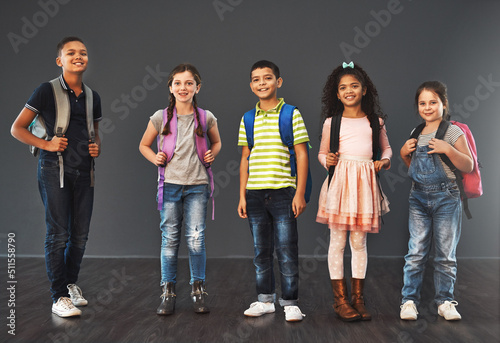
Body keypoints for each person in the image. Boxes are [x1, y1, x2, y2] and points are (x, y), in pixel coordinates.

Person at [10, 36, 102, 317]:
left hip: (85, 171)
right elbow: (17, 128)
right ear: (60, 60)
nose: (79, 56)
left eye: (83, 53)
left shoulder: (92, 96)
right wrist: (48, 144)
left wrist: (97, 147)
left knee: (80, 236)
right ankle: (58, 296)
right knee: (58, 234)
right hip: (54, 169)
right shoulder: (45, 91)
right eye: (71, 53)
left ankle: (70, 284)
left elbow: (93, 132)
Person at [139, 63, 221, 315]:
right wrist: (155, 158)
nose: (183, 87)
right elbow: (144, 144)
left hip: (197, 185)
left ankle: (198, 289)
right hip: (170, 186)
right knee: (170, 239)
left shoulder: (206, 117)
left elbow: (216, 142)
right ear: (171, 87)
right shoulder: (160, 117)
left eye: (188, 83)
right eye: (178, 83)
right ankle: (168, 290)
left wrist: (212, 153)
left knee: (196, 239)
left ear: (197, 87)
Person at [316, 62, 392, 321]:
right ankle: (340, 301)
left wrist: (385, 160)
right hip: (339, 186)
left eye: (354, 86)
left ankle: (358, 299)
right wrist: (327, 161)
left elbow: (387, 148)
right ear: (337, 94)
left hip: (364, 186)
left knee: (359, 242)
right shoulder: (331, 123)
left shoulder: (375, 122)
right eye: (343, 88)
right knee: (337, 243)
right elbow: (322, 153)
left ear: (364, 90)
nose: (349, 91)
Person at [237, 60, 309, 322]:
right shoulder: (248, 118)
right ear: (251, 85)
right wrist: (242, 195)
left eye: (267, 78)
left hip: (282, 193)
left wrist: (299, 193)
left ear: (278, 82)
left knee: (287, 249)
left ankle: (290, 302)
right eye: (256, 79)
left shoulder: (291, 114)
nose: (262, 83)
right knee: (261, 250)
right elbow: (245, 158)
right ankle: (265, 300)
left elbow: (301, 155)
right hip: (255, 194)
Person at [399, 81, 473, 321]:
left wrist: (448, 150)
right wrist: (403, 154)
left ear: (443, 104)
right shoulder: (416, 132)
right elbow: (415, 170)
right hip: (418, 197)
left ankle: (445, 301)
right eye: (423, 103)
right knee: (416, 251)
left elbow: (468, 165)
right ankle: (408, 301)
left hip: (447, 197)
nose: (427, 107)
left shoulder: (452, 132)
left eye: (433, 102)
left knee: (445, 254)